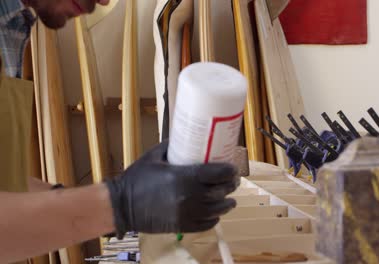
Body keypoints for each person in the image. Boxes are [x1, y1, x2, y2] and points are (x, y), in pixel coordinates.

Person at [0, 0, 239, 262]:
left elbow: (8, 182)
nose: (103, 1)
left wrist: (139, 199)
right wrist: (120, 204)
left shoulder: (11, 25)